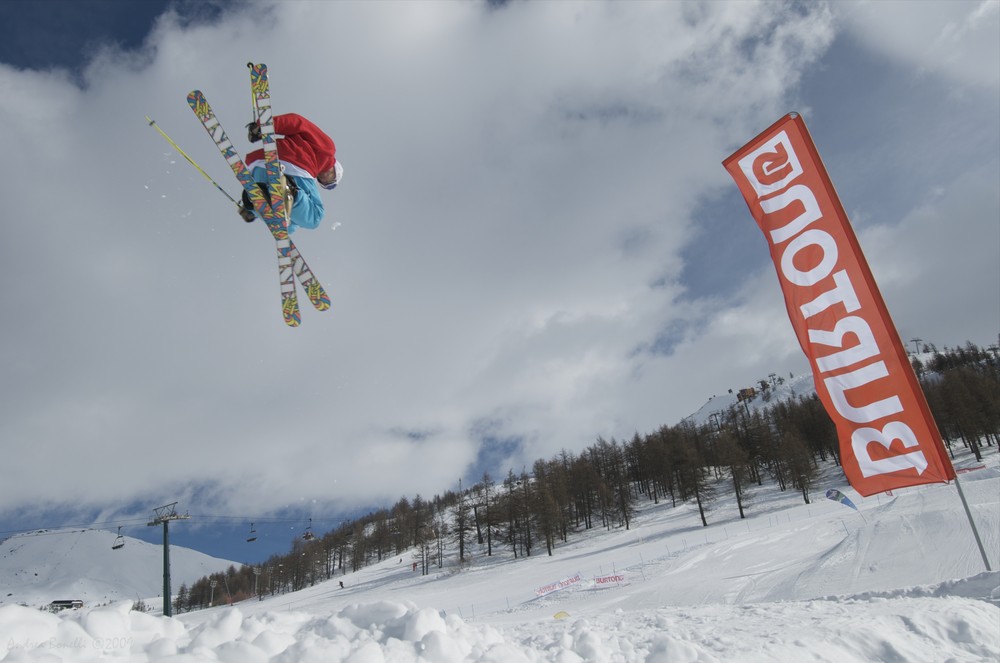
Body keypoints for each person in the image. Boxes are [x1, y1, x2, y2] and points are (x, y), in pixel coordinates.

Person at [238, 113, 342, 233]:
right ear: (335, 167)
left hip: (260, 169)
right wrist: (266, 125)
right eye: (332, 178)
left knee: (288, 227)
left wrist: (262, 128)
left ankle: (253, 205)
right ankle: (288, 191)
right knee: (315, 217)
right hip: (293, 164)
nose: (325, 179)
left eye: (325, 183)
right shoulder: (328, 149)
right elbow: (298, 123)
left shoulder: (314, 171)